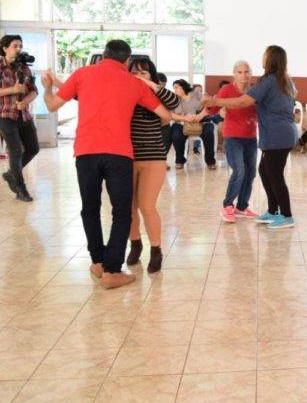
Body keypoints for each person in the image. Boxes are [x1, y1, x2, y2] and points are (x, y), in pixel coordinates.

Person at [41, 39, 176, 289]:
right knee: (122, 211)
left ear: (103, 55)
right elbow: (166, 115)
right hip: (119, 154)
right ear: (126, 60)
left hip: (85, 152)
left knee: (90, 208)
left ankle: (98, 262)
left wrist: (48, 87)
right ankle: (113, 270)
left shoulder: (83, 74)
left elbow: (52, 105)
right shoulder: (132, 82)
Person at [201, 45, 298, 229]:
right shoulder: (285, 80)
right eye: (240, 72)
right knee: (264, 171)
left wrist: (215, 101)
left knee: (274, 175)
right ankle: (272, 210)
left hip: (277, 136)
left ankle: (286, 215)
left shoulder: (269, 81)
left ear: (270, 59)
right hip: (284, 133)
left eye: (265, 55)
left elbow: (242, 101)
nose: (262, 58)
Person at [125, 58, 185, 273]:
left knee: (147, 206)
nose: (138, 76)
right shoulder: (123, 93)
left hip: (153, 157)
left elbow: (175, 102)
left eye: (144, 73)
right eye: (134, 72)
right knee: (128, 207)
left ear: (152, 75)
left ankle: (156, 249)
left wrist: (150, 85)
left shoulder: (157, 95)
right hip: (126, 157)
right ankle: (135, 243)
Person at [193, 61, 259, 221]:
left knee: (250, 173)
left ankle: (242, 207)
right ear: (234, 74)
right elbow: (211, 107)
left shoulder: (255, 91)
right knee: (239, 171)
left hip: (250, 137)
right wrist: (199, 116)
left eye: (246, 72)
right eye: (240, 72)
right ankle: (227, 206)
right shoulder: (227, 90)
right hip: (233, 137)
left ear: (251, 73)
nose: (244, 75)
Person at [0, 34, 39, 202]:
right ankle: (21, 189)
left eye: (20, 46)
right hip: (5, 115)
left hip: (24, 115)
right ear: (5, 48)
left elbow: (34, 90)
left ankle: (11, 174)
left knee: (33, 148)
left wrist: (25, 102)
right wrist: (12, 90)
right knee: (15, 152)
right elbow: (11, 90)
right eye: (15, 46)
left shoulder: (24, 68)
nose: (18, 49)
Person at [170, 79, 216, 169]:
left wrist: (199, 115)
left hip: (201, 122)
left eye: (177, 88)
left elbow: (209, 103)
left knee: (209, 131)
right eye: (174, 88)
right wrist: (185, 118)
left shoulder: (196, 94)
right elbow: (171, 115)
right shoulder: (174, 99)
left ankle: (210, 161)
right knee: (175, 133)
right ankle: (180, 160)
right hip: (183, 124)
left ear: (184, 87)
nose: (175, 90)